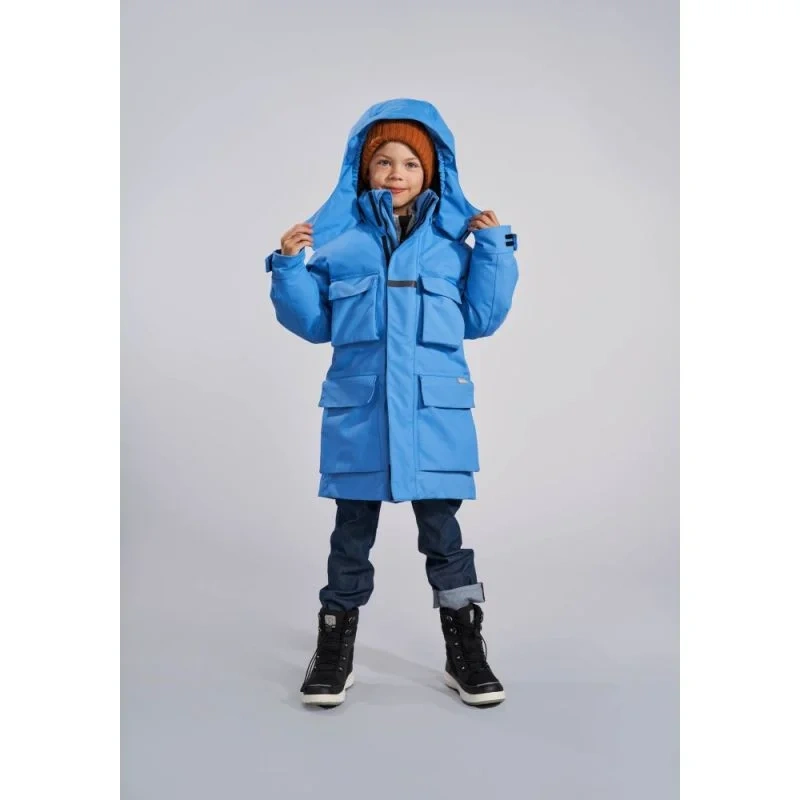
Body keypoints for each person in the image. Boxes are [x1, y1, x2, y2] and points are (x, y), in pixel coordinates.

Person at [264, 98, 519, 707]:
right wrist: (290, 267)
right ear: (363, 169)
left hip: (434, 421)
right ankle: (334, 648)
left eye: (410, 163)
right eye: (383, 161)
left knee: (445, 538)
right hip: (362, 417)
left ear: (432, 173)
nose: (396, 173)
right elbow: (313, 323)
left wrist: (493, 249)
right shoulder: (342, 246)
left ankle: (466, 649)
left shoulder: (454, 248)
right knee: (350, 539)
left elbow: (483, 318)